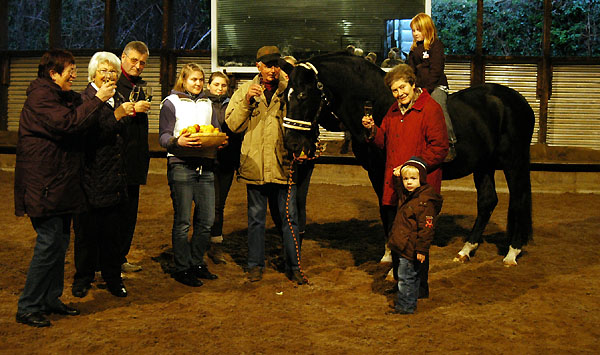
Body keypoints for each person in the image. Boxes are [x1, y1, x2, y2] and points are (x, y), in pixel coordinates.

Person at [14, 50, 114, 327]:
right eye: (70, 69)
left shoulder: (59, 96)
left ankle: (50, 299)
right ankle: (29, 305)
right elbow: (68, 123)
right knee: (48, 244)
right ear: (53, 73)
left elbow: (78, 111)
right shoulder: (41, 97)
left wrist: (97, 95)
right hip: (44, 184)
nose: (75, 74)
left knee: (59, 243)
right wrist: (98, 99)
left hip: (59, 184)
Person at [362, 64, 448, 298]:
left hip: (418, 190)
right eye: (394, 90)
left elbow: (440, 149)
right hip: (394, 187)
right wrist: (373, 131)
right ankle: (404, 284)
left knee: (417, 240)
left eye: (402, 88)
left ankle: (418, 288)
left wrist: (414, 165)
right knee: (399, 239)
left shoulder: (431, 109)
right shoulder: (392, 111)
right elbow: (384, 142)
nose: (399, 93)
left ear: (413, 84)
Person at [225, 45, 305, 285]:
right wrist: (247, 103)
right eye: (268, 65)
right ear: (258, 65)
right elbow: (232, 125)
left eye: (276, 65)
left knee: (289, 219)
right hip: (256, 167)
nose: (273, 69)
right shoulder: (244, 92)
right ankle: (254, 266)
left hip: (283, 163)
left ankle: (294, 267)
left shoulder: (290, 91)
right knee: (256, 219)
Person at [71, 52, 136, 299]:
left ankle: (112, 277)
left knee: (112, 234)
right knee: (86, 234)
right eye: (104, 71)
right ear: (93, 73)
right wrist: (117, 115)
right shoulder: (82, 99)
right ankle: (83, 278)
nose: (109, 75)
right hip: (90, 177)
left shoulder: (117, 96)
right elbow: (87, 136)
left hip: (115, 177)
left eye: (113, 71)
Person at [159, 63, 222, 287]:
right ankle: (182, 267)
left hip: (205, 166)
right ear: (183, 81)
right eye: (193, 79)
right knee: (183, 221)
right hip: (181, 166)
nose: (197, 83)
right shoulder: (171, 102)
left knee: (206, 220)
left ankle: (197, 262)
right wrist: (178, 141)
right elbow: (164, 137)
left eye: (200, 80)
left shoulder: (207, 103)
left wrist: (218, 141)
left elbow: (214, 130)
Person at [387, 157, 442, 314]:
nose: (408, 182)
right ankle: (410, 301)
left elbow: (427, 229)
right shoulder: (410, 196)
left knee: (406, 278)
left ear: (421, 179)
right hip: (405, 245)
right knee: (411, 276)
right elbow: (400, 189)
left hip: (410, 247)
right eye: (406, 179)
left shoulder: (424, 202)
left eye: (413, 178)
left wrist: (422, 249)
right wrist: (397, 176)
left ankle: (405, 307)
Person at [116, 41, 152, 273]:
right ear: (123, 57)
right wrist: (132, 109)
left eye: (142, 63)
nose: (138, 66)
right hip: (117, 161)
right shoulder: (112, 84)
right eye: (134, 60)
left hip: (135, 161)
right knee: (114, 215)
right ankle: (104, 262)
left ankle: (119, 258)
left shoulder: (140, 85)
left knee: (129, 215)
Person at [407, 13, 457, 161]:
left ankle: (450, 143)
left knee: (438, 106)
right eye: (413, 31)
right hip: (419, 88)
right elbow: (411, 71)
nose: (415, 34)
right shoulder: (414, 49)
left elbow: (436, 70)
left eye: (418, 30)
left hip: (436, 86)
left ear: (427, 29)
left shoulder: (436, 45)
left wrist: (426, 90)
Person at [206, 71, 240, 264]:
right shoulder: (202, 104)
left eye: (223, 85)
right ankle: (201, 239)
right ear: (209, 85)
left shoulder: (232, 106)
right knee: (204, 203)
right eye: (216, 84)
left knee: (219, 205)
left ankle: (215, 243)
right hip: (205, 160)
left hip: (225, 161)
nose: (219, 88)